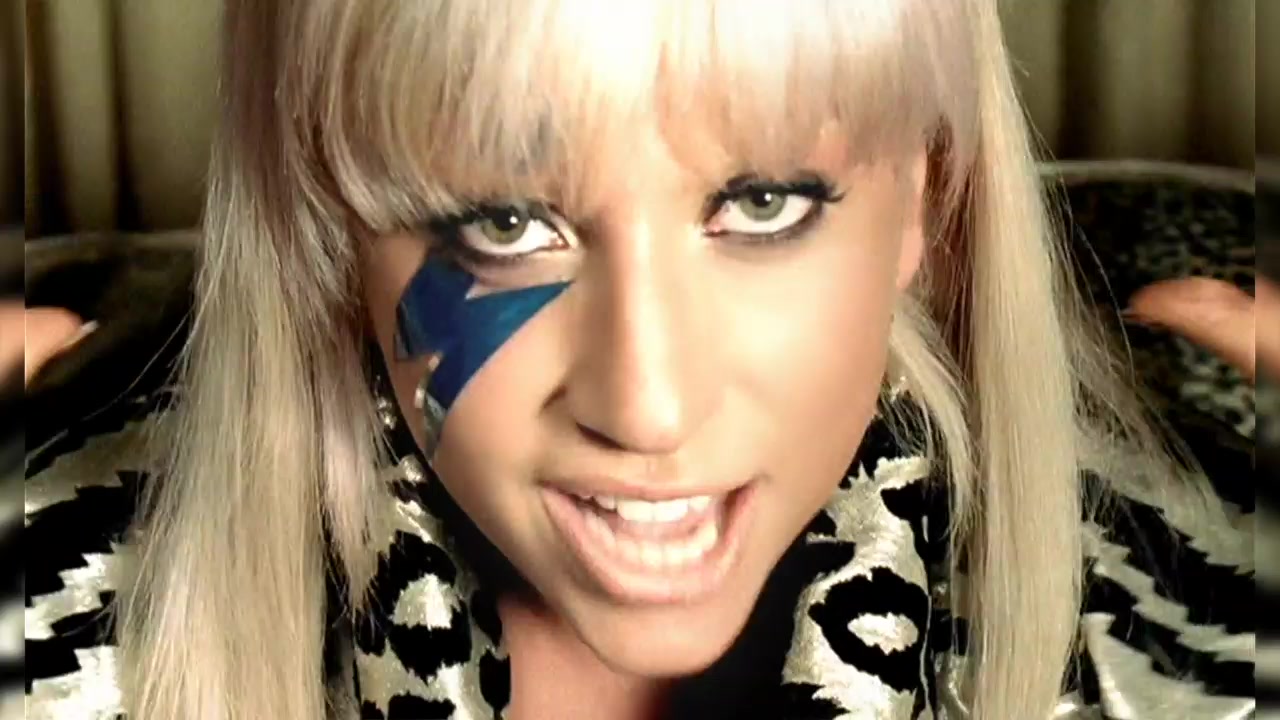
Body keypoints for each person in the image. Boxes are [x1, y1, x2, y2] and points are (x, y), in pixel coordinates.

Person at [18, 1, 1259, 718]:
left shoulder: (1188, 652)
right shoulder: (62, 647)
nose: (647, 407)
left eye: (763, 203)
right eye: (504, 224)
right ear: (332, 232)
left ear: (927, 202)